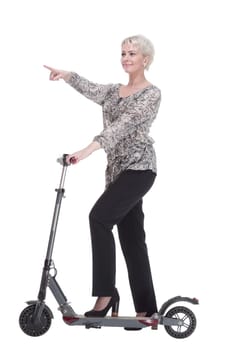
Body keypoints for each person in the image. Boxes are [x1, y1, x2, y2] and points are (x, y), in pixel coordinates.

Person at [44, 34, 161, 325]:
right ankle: (147, 309)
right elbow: (90, 88)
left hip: (140, 169)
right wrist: (67, 75)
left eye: (132, 53)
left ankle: (105, 295)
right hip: (117, 174)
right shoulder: (113, 91)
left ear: (145, 59)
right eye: (123, 53)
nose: (126, 58)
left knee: (99, 218)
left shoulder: (151, 93)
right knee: (133, 239)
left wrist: (88, 149)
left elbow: (123, 126)